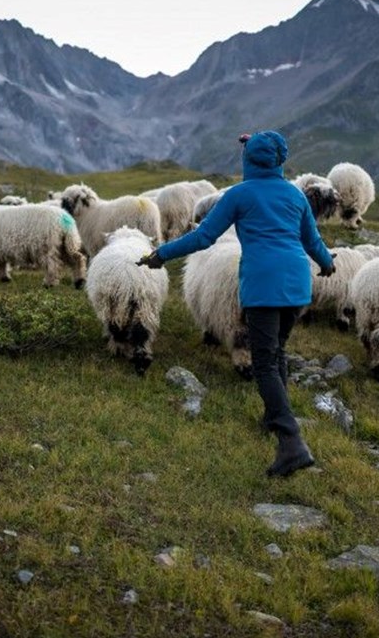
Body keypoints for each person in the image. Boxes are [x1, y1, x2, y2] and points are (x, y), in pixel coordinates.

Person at [137, 130, 335, 478]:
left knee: (264, 364)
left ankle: (292, 442)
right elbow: (312, 239)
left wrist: (161, 254)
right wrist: (327, 263)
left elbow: (203, 237)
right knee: (277, 353)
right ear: (280, 160)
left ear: (248, 160)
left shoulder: (239, 195)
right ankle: (274, 417)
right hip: (297, 284)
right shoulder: (294, 194)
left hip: (263, 285)